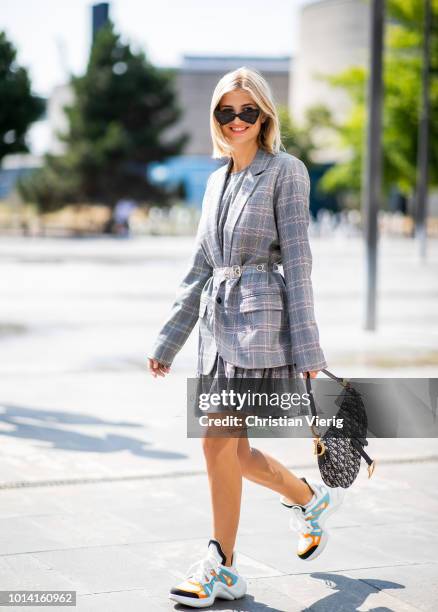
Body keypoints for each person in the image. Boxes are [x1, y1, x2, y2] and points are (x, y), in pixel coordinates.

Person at [147, 66, 344, 608]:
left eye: (247, 111)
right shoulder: (215, 181)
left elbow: (300, 266)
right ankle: (310, 499)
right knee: (234, 452)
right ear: (216, 117)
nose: (237, 121)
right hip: (215, 330)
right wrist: (168, 341)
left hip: (260, 326)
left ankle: (223, 566)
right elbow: (199, 268)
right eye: (226, 111)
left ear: (264, 116)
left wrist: (308, 350)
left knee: (215, 443)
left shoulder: (287, 171)